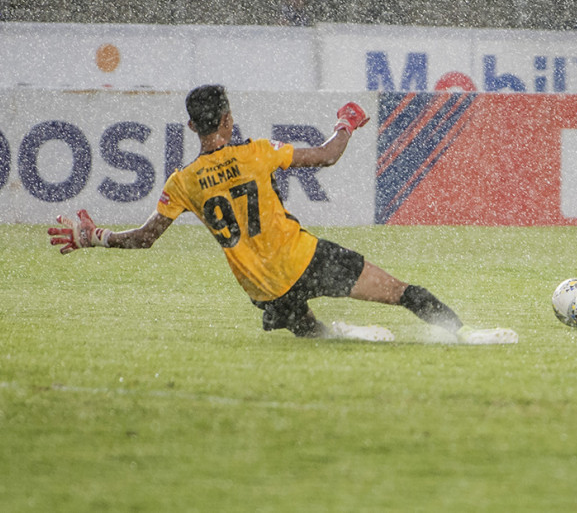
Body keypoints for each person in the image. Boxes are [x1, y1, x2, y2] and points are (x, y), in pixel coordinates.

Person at [48, 85, 517, 345]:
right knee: (398, 292)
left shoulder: (182, 183)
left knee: (314, 334)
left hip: (263, 287)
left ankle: (344, 334)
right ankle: (460, 334)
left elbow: (144, 238)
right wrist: (346, 123)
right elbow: (328, 156)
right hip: (302, 258)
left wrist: (96, 236)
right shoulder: (255, 153)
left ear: (192, 126)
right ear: (228, 120)